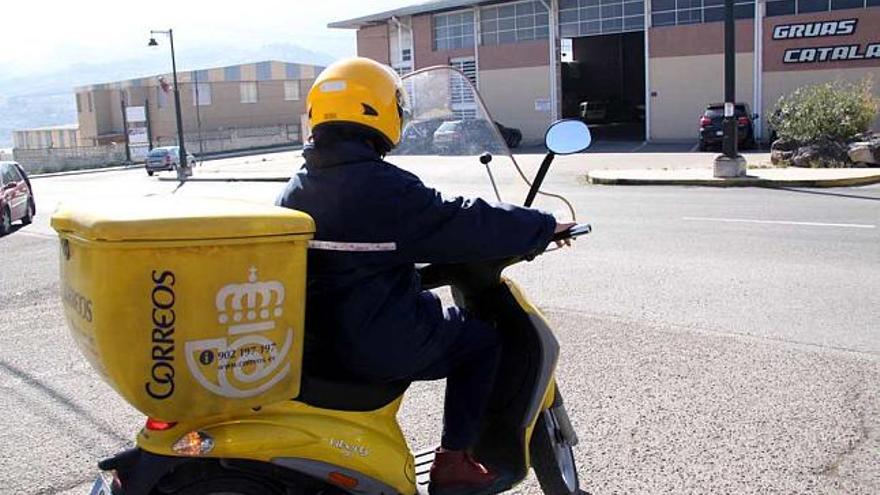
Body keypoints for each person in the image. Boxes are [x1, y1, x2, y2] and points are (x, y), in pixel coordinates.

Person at [276, 57, 573, 495]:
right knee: (482, 343)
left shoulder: (298, 185)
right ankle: (454, 461)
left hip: (322, 339)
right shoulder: (383, 187)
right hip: (376, 338)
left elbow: (364, 251)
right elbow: (459, 221)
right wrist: (542, 225)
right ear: (380, 110)